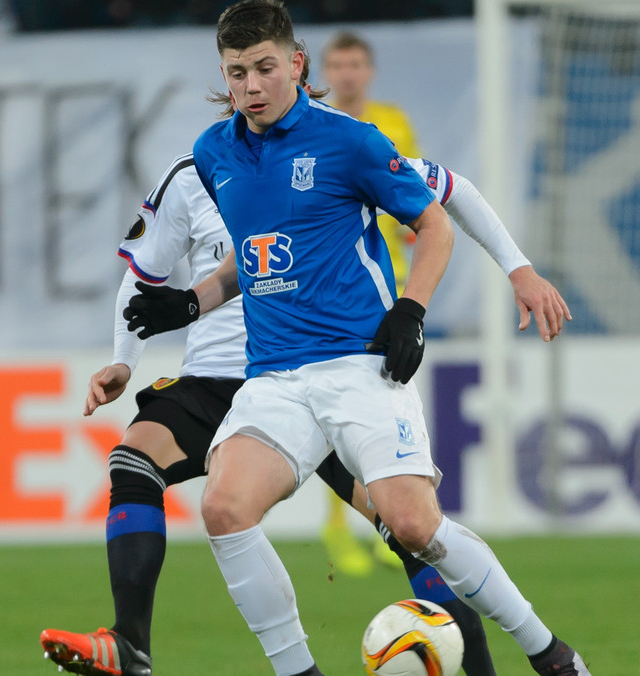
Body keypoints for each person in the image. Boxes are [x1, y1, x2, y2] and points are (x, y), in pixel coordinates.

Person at [37, 50, 570, 676]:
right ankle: (131, 644)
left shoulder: (340, 148)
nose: (250, 92)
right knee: (137, 461)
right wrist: (125, 359)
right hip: (231, 377)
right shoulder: (200, 167)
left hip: (333, 366)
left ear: (294, 73)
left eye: (264, 75)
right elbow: (145, 276)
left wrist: (516, 269)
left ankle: (498, 663)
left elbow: (449, 196)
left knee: (412, 528)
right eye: (237, 78)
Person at [319, 29, 426, 578]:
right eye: (337, 64)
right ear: (323, 71)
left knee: (387, 418)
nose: (347, 73)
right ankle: (340, 531)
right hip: (344, 296)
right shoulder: (316, 128)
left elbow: (412, 198)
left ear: (370, 70)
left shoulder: (393, 122)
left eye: (356, 63)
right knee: (340, 420)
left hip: (399, 291)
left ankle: (393, 520)